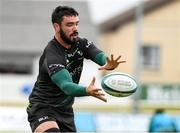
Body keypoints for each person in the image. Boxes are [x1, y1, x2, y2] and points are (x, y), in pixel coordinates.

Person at [26, 5, 126, 133]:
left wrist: (107, 62)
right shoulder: (52, 54)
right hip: (42, 107)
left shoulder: (81, 43)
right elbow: (66, 86)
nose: (75, 29)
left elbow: (97, 54)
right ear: (57, 27)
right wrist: (86, 90)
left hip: (65, 110)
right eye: (69, 25)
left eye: (77, 24)